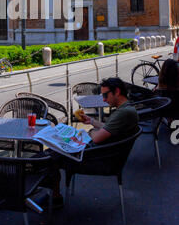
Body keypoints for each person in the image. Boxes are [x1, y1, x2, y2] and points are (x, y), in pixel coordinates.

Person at [37, 78, 139, 208]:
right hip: (107, 153)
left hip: (98, 158)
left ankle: (53, 197)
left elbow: (96, 138)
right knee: (52, 151)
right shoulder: (126, 109)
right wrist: (91, 121)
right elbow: (109, 128)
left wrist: (90, 132)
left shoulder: (124, 113)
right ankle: (49, 191)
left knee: (49, 157)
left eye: (105, 95)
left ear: (117, 91)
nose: (103, 99)